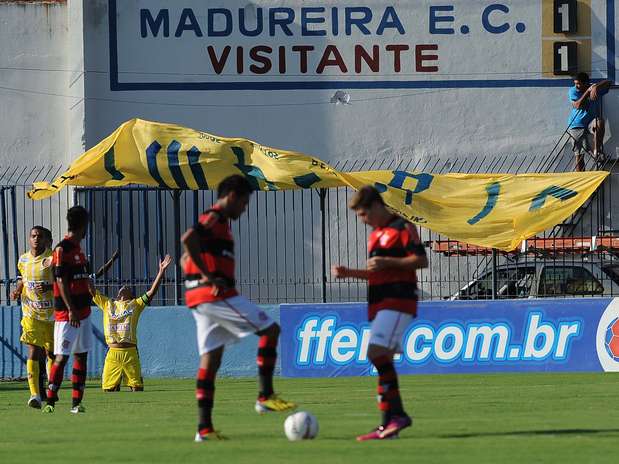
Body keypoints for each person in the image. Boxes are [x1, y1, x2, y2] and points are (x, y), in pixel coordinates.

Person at [181, 174, 296, 442]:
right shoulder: (215, 217)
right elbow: (188, 239)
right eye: (244, 203)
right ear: (232, 195)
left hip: (200, 298)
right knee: (271, 330)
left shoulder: (220, 224)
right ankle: (264, 396)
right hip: (214, 296)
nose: (244, 209)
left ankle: (204, 429)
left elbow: (186, 256)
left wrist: (195, 272)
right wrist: (209, 277)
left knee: (211, 359)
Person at [332, 186, 428, 441]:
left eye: (363, 214)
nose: (363, 220)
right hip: (380, 303)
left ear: (376, 206)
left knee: (375, 353)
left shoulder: (402, 227)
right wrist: (349, 273)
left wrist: (389, 262)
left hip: (398, 300)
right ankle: (388, 425)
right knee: (382, 357)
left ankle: (397, 416)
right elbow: (378, 272)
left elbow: (420, 260)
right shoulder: (376, 235)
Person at [89, 254, 172, 392]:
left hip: (130, 353)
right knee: (108, 389)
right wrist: (83, 275)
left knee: (137, 388)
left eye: (128, 288)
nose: (125, 286)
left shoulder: (136, 304)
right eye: (122, 287)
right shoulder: (107, 303)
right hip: (113, 353)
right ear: (118, 295)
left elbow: (152, 292)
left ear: (131, 295)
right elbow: (91, 290)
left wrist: (161, 272)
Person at [43, 206, 93, 414]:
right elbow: (61, 282)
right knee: (61, 356)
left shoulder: (80, 250)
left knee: (81, 355)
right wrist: (71, 309)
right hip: (67, 313)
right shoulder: (62, 249)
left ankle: (76, 403)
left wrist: (90, 287)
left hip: (84, 312)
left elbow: (79, 279)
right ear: (83, 226)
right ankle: (50, 402)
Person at [10, 226, 55, 408]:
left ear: (45, 240)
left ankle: (51, 389)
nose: (36, 239)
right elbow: (22, 278)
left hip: (52, 315)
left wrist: (49, 288)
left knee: (51, 353)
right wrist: (18, 290)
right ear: (29, 239)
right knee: (33, 351)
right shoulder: (23, 259)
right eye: (33, 236)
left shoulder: (53, 259)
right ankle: (34, 395)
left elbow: (64, 282)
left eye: (39, 236)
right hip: (31, 313)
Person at [567, 72, 613, 171]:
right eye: (575, 83)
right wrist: (588, 91)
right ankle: (581, 177)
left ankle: (597, 151)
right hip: (577, 124)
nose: (577, 86)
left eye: (579, 83)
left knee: (600, 121)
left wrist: (596, 86)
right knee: (579, 155)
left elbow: (609, 82)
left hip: (591, 123)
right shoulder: (573, 91)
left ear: (586, 83)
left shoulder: (595, 89)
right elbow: (577, 105)